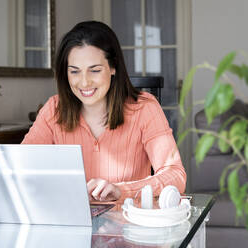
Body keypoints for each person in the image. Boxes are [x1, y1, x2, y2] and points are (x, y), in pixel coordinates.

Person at [22, 21, 186, 203]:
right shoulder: (54, 108)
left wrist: (122, 191)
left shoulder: (145, 107)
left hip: (128, 226)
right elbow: (21, 167)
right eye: (74, 72)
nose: (84, 83)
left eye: (95, 70)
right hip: (71, 224)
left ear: (113, 67)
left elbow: (176, 176)